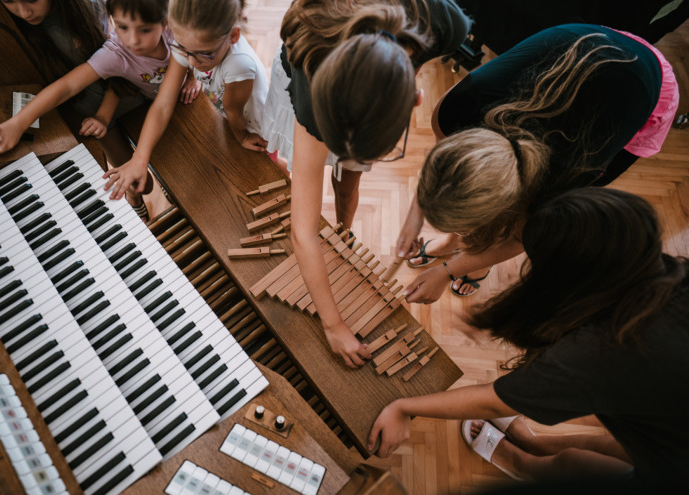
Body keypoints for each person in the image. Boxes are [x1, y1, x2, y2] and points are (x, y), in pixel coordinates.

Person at [369, 188, 689, 486]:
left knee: (572, 466)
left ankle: (522, 462)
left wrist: (403, 406)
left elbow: (494, 400)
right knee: (617, 446)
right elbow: (521, 237)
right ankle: (534, 443)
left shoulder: (601, 353)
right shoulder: (665, 273)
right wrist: (447, 271)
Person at [398, 24, 679, 300]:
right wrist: (414, 220)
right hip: (583, 44)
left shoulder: (562, 182)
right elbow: (439, 170)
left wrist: (446, 273)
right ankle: (454, 242)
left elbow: (520, 237)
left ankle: (480, 263)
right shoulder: (452, 114)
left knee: (513, 222)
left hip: (643, 83)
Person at [261, 0, 471, 369]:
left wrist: (415, 216)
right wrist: (333, 326)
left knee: (348, 182)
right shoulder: (311, 85)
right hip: (312, 68)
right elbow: (302, 232)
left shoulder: (445, 24)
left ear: (416, 97)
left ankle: (344, 232)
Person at [0, 0, 198, 221]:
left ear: (165, 23)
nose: (133, 40)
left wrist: (193, 78)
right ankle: (135, 197)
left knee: (176, 164)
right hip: (141, 101)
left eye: (144, 30)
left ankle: (164, 187)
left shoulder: (177, 31)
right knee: (142, 184)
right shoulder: (116, 52)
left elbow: (186, 62)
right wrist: (19, 122)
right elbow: (68, 85)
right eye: (122, 27)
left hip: (167, 101)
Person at [102, 0, 270, 202]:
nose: (191, 62)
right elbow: (162, 105)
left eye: (204, 53)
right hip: (229, 114)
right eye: (183, 49)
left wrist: (242, 138)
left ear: (233, 36)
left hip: (253, 126)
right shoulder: (191, 46)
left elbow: (233, 110)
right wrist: (139, 158)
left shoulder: (239, 65)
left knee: (266, 169)